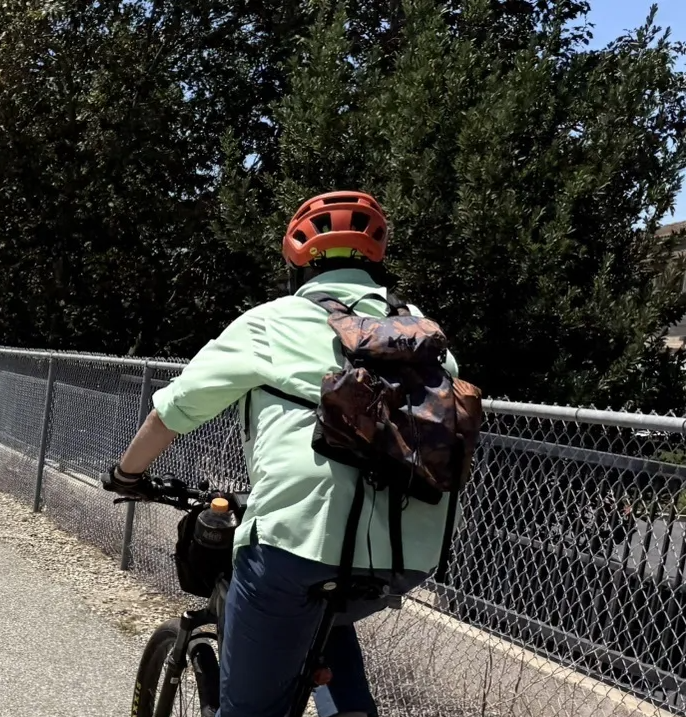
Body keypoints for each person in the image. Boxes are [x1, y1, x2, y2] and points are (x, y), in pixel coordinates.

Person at [103, 191, 458, 717]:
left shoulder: (273, 321)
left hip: (295, 543)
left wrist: (127, 473)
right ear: (376, 261)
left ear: (296, 263)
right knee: (324, 610)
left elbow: (172, 413)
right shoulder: (427, 335)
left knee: (254, 696)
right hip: (410, 555)